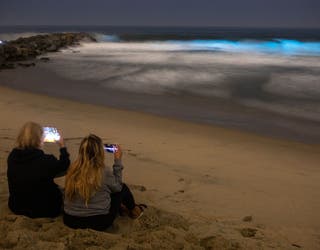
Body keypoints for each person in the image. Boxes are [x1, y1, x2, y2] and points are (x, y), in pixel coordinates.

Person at [63, 134, 146, 231]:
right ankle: (135, 211)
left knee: (104, 189)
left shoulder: (73, 169)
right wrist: (118, 160)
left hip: (70, 220)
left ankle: (126, 208)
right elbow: (118, 187)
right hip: (98, 222)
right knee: (122, 188)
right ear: (100, 152)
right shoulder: (102, 171)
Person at [7, 121, 70, 218]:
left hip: (16, 206)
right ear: (40, 139)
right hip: (43, 210)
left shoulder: (12, 157)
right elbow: (65, 166)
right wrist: (62, 147)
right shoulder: (46, 160)